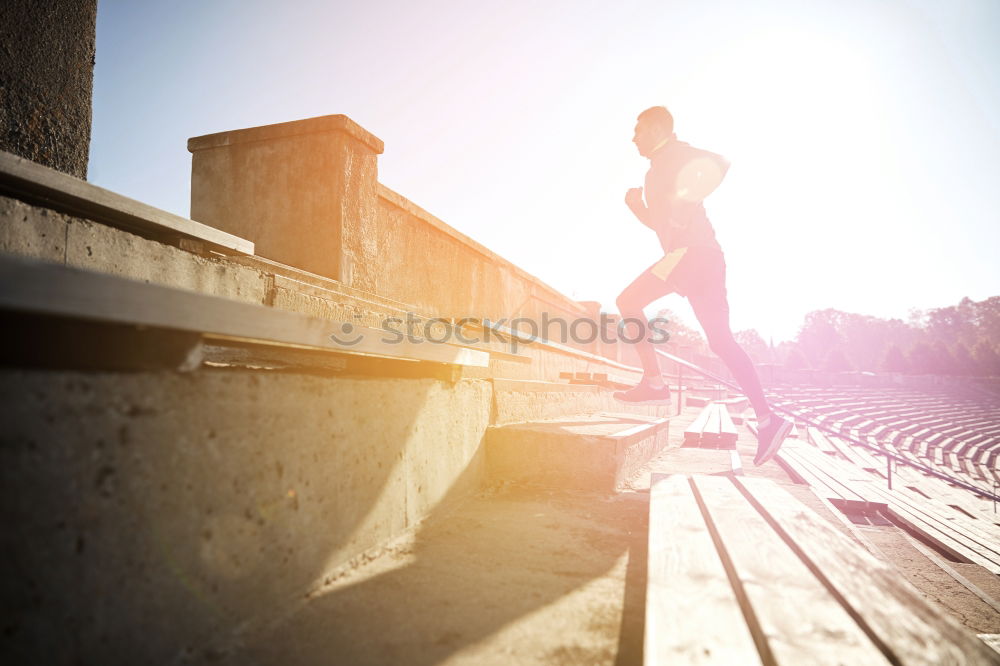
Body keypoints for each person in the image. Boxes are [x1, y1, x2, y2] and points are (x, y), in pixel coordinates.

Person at [613, 105, 791, 465]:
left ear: (660, 129)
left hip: (690, 255)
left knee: (628, 301)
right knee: (720, 341)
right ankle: (769, 419)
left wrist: (687, 196)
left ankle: (654, 382)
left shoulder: (676, 153)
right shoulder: (655, 170)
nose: (634, 138)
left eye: (640, 130)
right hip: (705, 258)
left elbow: (721, 163)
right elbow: (664, 224)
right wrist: (638, 209)